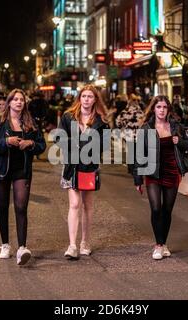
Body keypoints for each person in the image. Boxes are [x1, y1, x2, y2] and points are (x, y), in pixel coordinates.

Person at [0, 89, 46, 266]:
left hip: (22, 170)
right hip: (1, 170)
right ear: (9, 102)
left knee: (21, 207)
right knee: (3, 207)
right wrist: (6, 142)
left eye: (22, 100)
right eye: (15, 99)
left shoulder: (30, 123)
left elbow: (42, 145)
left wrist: (31, 143)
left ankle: (22, 248)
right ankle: (5, 245)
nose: (19, 102)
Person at [133, 95, 188, 260]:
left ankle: (164, 243)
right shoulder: (146, 129)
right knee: (156, 208)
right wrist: (138, 179)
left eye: (165, 107)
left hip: (172, 171)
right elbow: (139, 155)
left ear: (168, 109)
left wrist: (178, 141)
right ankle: (158, 245)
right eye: (159, 107)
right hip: (153, 172)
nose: (162, 110)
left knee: (167, 210)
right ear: (154, 109)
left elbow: (186, 144)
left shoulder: (176, 127)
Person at [59, 85, 109, 260]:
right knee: (74, 204)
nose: (87, 99)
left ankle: (85, 242)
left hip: (89, 166)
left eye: (90, 96)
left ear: (95, 99)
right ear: (79, 98)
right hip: (71, 166)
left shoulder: (101, 121)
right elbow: (59, 137)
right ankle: (72, 245)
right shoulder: (67, 117)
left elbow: (105, 144)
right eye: (84, 96)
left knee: (87, 205)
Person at [116, 94, 145, 174]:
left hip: (128, 134)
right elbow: (144, 123)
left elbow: (118, 122)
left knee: (130, 151)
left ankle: (131, 168)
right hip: (138, 135)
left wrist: (122, 129)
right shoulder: (140, 112)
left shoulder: (125, 112)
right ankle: (136, 167)